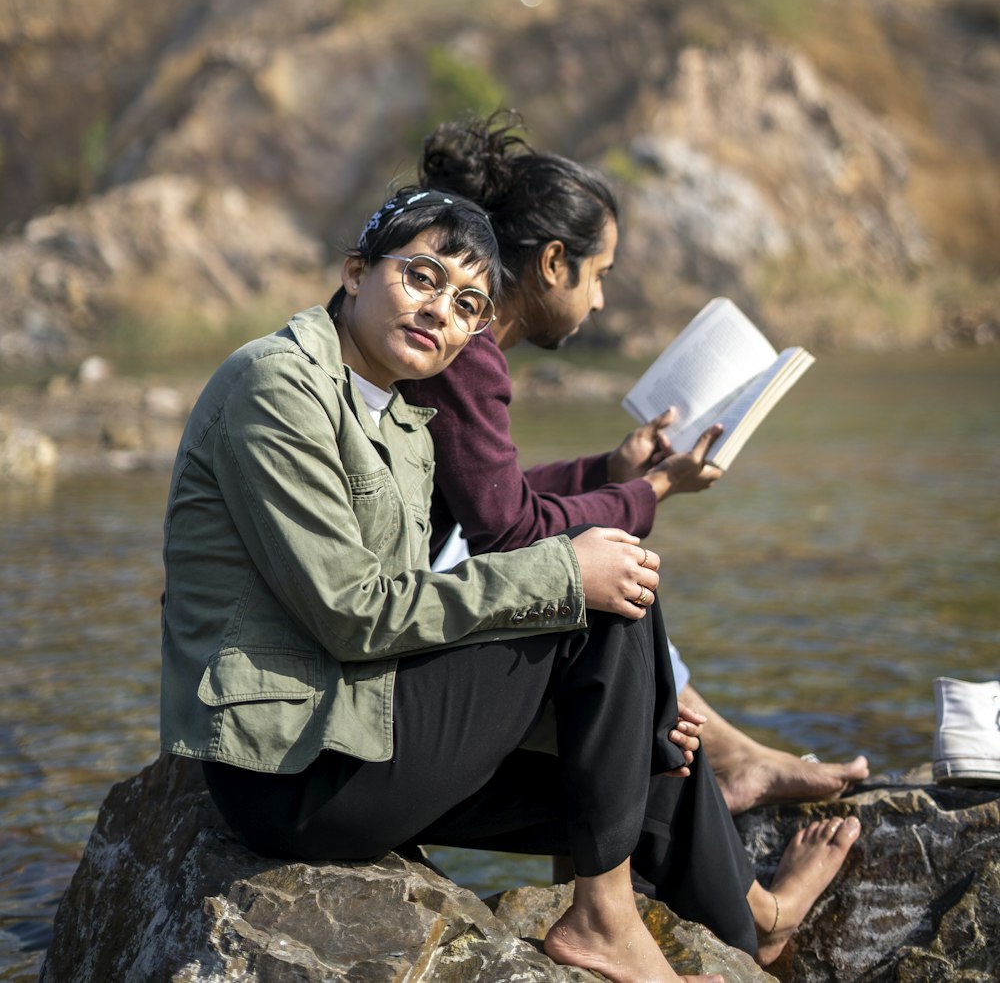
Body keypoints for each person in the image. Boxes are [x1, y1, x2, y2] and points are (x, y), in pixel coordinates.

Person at [161, 186, 748, 983]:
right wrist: (566, 574)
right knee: (597, 591)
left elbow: (484, 526)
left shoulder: (400, 422)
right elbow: (355, 614)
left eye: (468, 302)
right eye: (423, 279)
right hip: (296, 773)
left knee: (648, 770)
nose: (442, 310)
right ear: (357, 272)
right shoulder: (276, 386)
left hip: (360, 728)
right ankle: (605, 920)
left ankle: (754, 948)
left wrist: (623, 718)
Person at [405, 115, 865, 921]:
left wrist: (614, 473)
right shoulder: (465, 349)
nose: (602, 296)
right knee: (614, 594)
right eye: (600, 274)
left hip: (416, 611)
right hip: (397, 658)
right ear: (553, 264)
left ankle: (725, 860)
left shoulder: (460, 345)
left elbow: (489, 495)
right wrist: (651, 494)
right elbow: (507, 530)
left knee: (618, 626)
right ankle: (740, 898)